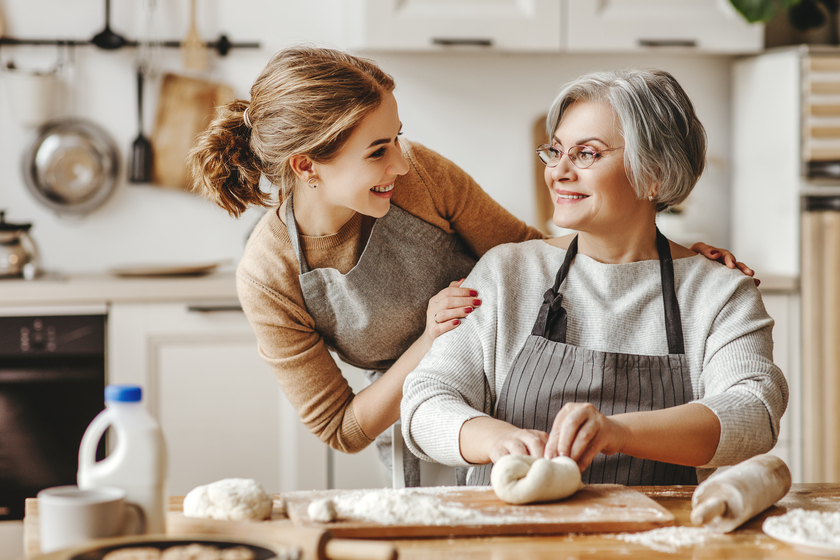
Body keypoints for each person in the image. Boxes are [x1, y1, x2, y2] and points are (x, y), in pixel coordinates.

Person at [189, 47, 753, 485]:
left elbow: (545, 259)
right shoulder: (268, 274)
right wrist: (437, 343)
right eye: (379, 150)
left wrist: (680, 263)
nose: (403, 161)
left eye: (397, 139)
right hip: (423, 415)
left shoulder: (429, 190)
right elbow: (345, 426)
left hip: (497, 372)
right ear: (306, 166)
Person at [401, 68, 788, 486]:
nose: (558, 171)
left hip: (653, 537)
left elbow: (754, 411)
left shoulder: (717, 291)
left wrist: (617, 432)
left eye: (586, 154)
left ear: (653, 173)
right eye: (555, 151)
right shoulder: (507, 272)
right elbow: (425, 402)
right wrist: (499, 441)